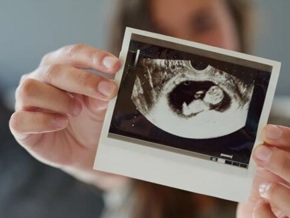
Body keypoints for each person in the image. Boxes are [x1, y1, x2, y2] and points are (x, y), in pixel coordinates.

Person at [9, 0, 290, 217]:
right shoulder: (128, 159)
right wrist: (90, 157)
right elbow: (122, 182)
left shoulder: (284, 142)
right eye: (159, 35)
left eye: (203, 23)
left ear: (237, 24)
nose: (187, 49)